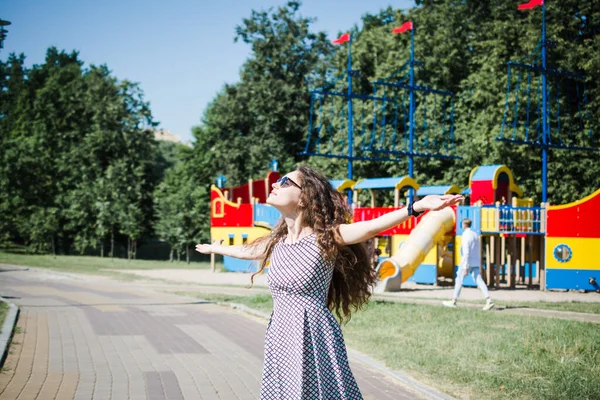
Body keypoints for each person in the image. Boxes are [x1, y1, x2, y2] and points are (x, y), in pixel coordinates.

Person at [196, 165, 463, 399]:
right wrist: (215, 249)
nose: (276, 184)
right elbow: (247, 250)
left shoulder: (327, 238)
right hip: (280, 335)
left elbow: (372, 227)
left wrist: (415, 207)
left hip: (314, 335)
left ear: (304, 197)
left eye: (286, 182)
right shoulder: (275, 243)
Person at [442, 218, 495, 311]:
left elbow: (466, 252)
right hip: (475, 261)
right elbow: (478, 249)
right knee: (479, 280)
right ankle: (488, 300)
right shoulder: (475, 235)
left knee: (459, 279)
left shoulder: (465, 235)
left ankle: (454, 301)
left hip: (467, 261)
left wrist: (465, 266)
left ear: (464, 224)